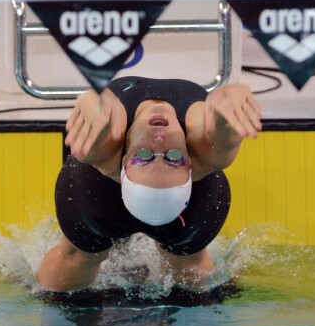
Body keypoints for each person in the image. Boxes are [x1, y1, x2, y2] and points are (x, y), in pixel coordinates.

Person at [36, 77, 262, 291]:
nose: (159, 141)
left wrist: (93, 103)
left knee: (76, 257)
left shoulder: (104, 147)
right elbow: (224, 130)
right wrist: (230, 103)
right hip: (165, 207)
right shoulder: (210, 152)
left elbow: (93, 104)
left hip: (97, 199)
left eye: (144, 155)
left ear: (123, 162)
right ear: (191, 164)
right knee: (190, 265)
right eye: (174, 157)